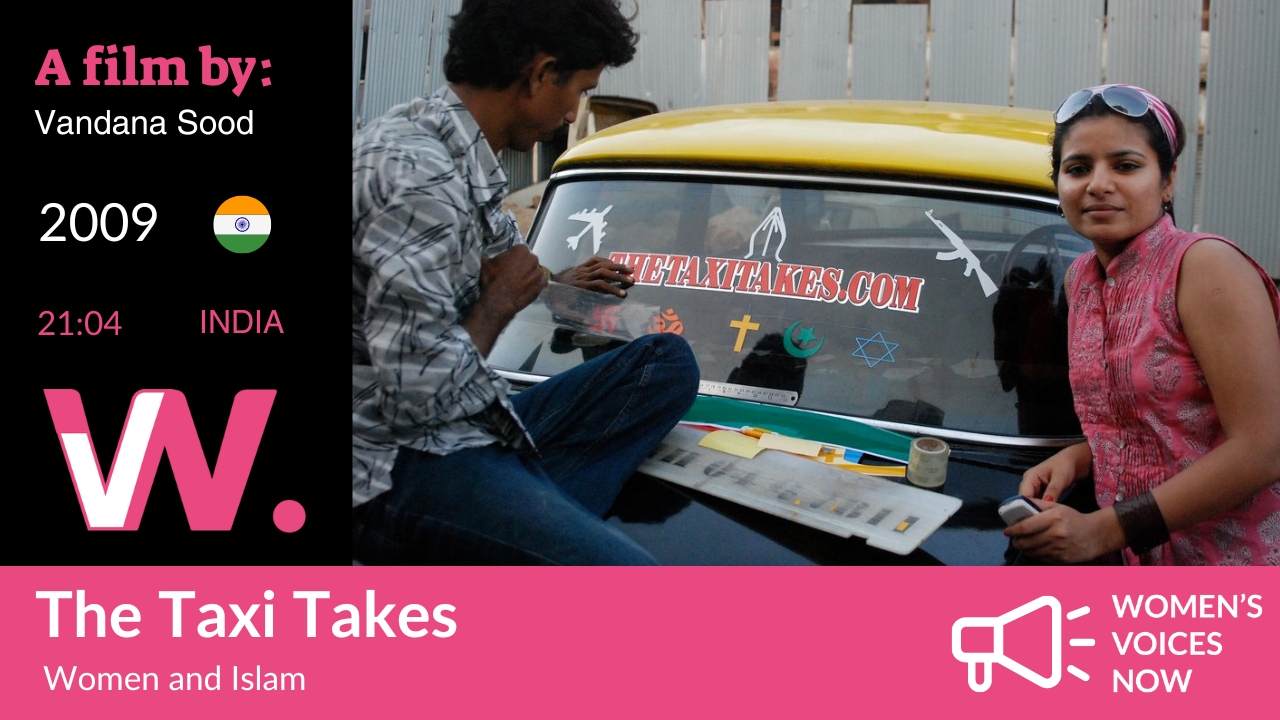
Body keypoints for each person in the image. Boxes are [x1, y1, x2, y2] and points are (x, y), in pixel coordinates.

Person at [351, 0, 700, 565]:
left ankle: (526, 535)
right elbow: (422, 401)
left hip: (468, 415)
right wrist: (499, 302)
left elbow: (494, 268)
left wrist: (555, 282)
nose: (572, 113)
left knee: (665, 363)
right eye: (579, 90)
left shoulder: (455, 144)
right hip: (394, 465)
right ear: (540, 74)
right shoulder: (417, 179)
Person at [1006, 84, 1280, 565]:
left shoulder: (1204, 267)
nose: (1098, 184)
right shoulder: (1080, 279)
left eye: (1126, 166)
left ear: (1168, 180)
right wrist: (1080, 457)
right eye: (1078, 169)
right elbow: (1152, 422)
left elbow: (1264, 448)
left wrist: (1105, 530)